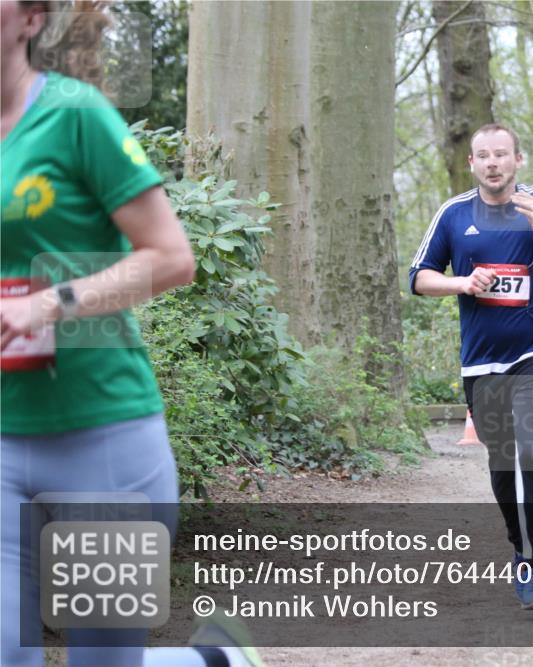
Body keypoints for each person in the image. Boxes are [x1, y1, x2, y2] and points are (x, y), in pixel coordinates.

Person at [1, 2, 263, 666]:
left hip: (103, 442)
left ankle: (215, 659)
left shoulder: (74, 115)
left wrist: (52, 302)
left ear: (30, 20)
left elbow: (172, 257)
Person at [409, 123, 533, 609]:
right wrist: (462, 284)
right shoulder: (453, 214)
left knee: (532, 447)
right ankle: (519, 543)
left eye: (501, 154)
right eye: (483, 156)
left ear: (518, 159)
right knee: (502, 459)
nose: (493, 163)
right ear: (472, 164)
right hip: (482, 363)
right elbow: (420, 277)